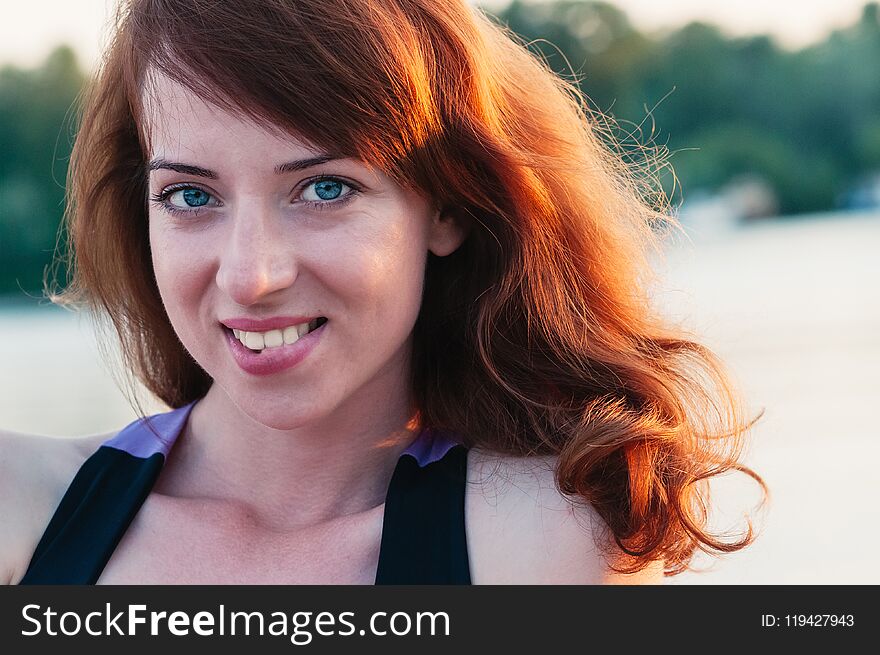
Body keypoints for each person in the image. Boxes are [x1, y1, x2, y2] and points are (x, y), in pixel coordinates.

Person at [1, 0, 764, 585]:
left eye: (324, 188)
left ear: (448, 206)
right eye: (191, 197)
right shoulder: (20, 511)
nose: (249, 276)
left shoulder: (543, 544)